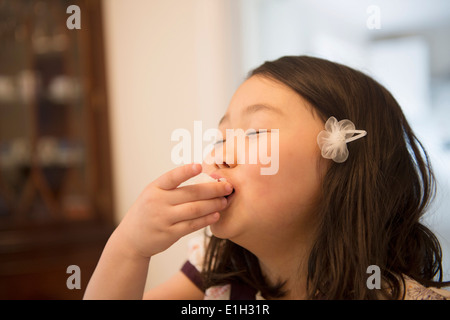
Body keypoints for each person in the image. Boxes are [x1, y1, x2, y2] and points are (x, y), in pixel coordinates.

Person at [84, 55, 450, 300]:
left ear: (346, 162)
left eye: (256, 133)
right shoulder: (216, 272)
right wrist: (128, 249)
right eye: (221, 138)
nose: (220, 155)